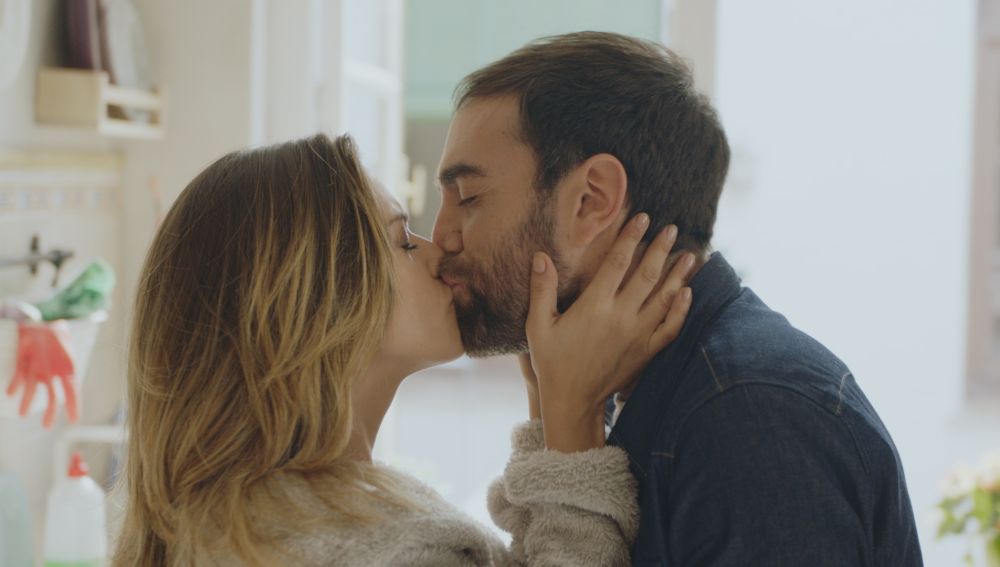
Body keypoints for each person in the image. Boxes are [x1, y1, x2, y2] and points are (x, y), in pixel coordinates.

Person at [432, 31, 923, 565]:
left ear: (592, 200)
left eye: (469, 197)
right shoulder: (662, 394)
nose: (440, 236)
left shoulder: (749, 416)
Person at [112, 133, 695, 566]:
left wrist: (546, 399)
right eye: (400, 239)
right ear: (323, 295)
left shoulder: (269, 514)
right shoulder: (343, 546)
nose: (438, 249)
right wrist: (575, 419)